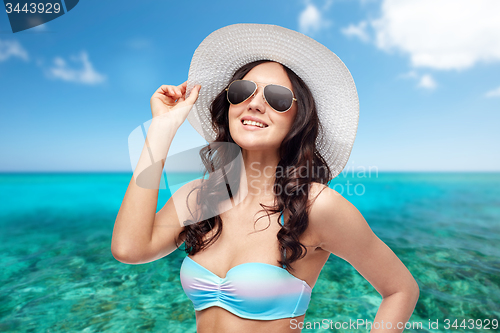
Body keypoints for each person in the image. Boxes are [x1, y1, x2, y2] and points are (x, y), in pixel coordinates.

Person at [112, 24, 419, 333]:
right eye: (242, 91)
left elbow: (400, 289)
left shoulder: (316, 207)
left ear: (298, 118)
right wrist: (161, 130)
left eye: (278, 98)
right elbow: (129, 249)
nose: (255, 103)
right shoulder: (200, 196)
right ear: (229, 104)